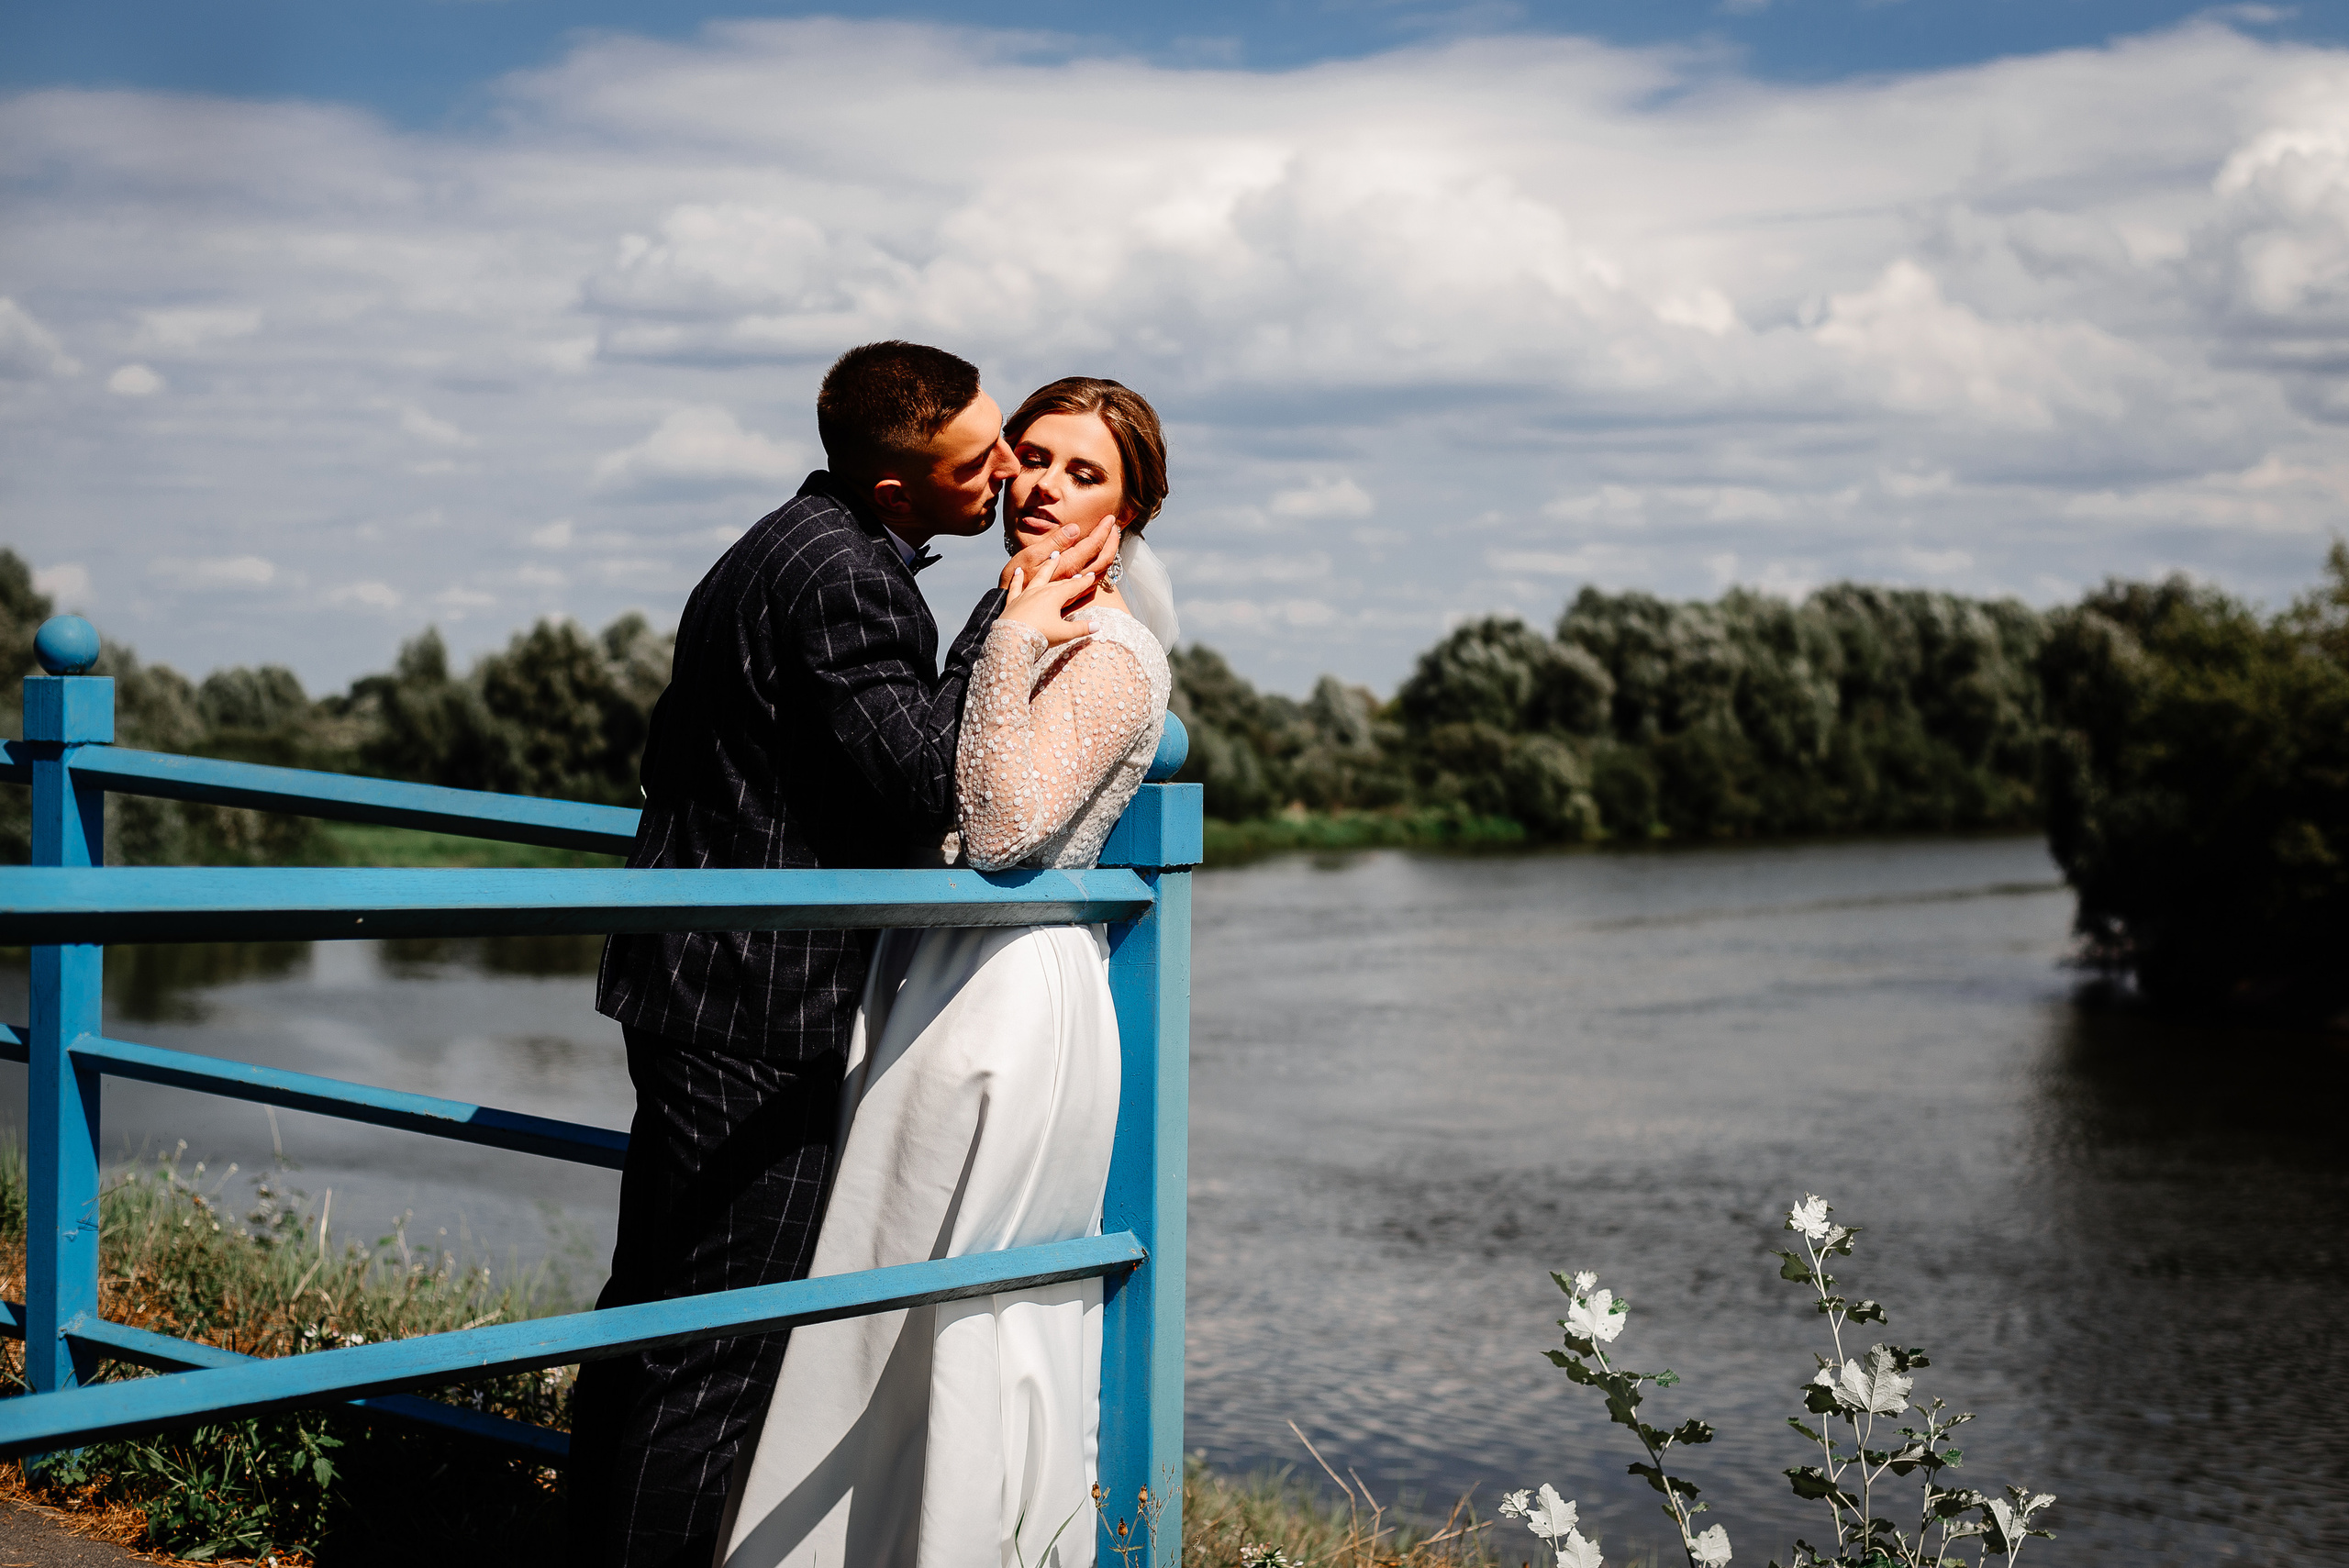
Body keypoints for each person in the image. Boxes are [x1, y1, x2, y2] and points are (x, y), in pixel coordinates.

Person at [568, 343, 1114, 1566]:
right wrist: (1005, 620)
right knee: (715, 1346)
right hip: (753, 1007)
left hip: (696, 976)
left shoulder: (786, 540)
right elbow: (929, 784)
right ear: (895, 491)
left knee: (654, 1317)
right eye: (979, 463)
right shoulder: (852, 582)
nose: (1006, 477)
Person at [716, 377, 1179, 1568]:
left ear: (1134, 509)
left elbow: (1010, 827)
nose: (1046, 488)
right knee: (884, 1303)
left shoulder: (1110, 650)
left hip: (1011, 1004)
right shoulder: (1011, 604)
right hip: (939, 978)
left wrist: (1021, 636)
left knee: (967, 1310)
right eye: (1034, 458)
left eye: (1088, 473)